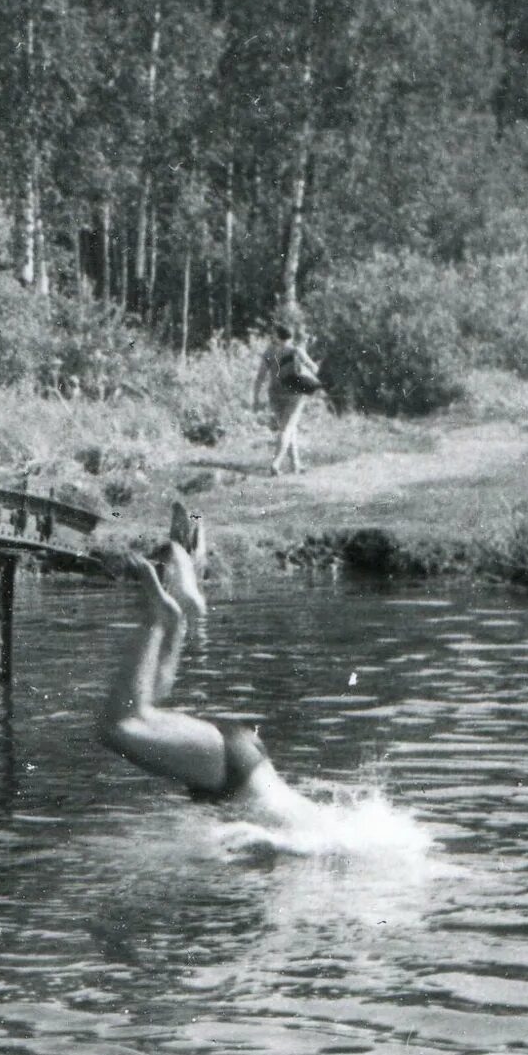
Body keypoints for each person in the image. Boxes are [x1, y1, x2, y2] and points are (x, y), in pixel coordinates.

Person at [97, 506, 313, 825]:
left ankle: (164, 620)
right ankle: (163, 620)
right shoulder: (316, 831)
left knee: (127, 720)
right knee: (124, 721)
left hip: (233, 768)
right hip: (234, 772)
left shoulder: (313, 826)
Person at [254, 318, 323, 475]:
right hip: (294, 394)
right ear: (290, 336)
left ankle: (296, 465)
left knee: (288, 428)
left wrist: (256, 397)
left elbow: (260, 377)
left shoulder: (269, 352)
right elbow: (314, 368)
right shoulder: (295, 350)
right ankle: (276, 464)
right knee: (287, 428)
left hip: (275, 393)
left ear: (277, 336)